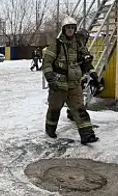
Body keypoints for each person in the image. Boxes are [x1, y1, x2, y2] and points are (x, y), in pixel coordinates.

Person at [41, 16, 100, 144]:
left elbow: (86, 63)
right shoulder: (56, 45)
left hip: (74, 85)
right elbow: (47, 63)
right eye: (68, 28)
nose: (70, 30)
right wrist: (51, 80)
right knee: (54, 108)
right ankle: (50, 130)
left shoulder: (79, 44)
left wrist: (95, 77)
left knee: (80, 109)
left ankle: (87, 135)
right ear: (63, 29)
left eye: (73, 28)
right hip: (58, 85)